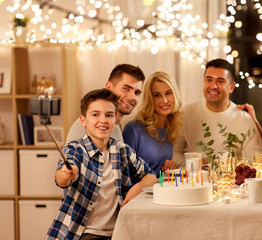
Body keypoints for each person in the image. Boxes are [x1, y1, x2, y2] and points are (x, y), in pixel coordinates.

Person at [46, 89, 156, 239]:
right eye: (95, 114)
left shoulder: (122, 151)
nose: (103, 120)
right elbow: (61, 178)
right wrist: (66, 173)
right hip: (81, 233)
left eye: (109, 115)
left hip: (118, 232)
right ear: (83, 120)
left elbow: (151, 176)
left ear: (115, 121)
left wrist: (138, 188)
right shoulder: (74, 150)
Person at [172, 58, 262, 167]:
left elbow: (255, 159)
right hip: (194, 179)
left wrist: (232, 165)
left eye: (220, 81)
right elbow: (175, 153)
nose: (213, 86)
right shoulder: (185, 113)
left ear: (232, 87)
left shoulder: (244, 119)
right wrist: (196, 164)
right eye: (209, 80)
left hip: (230, 180)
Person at [66, 64, 145, 143]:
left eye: (137, 92)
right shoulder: (87, 126)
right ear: (109, 87)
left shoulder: (116, 126)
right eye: (125, 88)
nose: (132, 97)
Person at [123, 72, 182, 175]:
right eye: (157, 95)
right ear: (150, 98)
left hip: (164, 188)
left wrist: (172, 166)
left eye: (168, 93)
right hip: (141, 190)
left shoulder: (174, 126)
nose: (164, 100)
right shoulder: (133, 129)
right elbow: (125, 173)